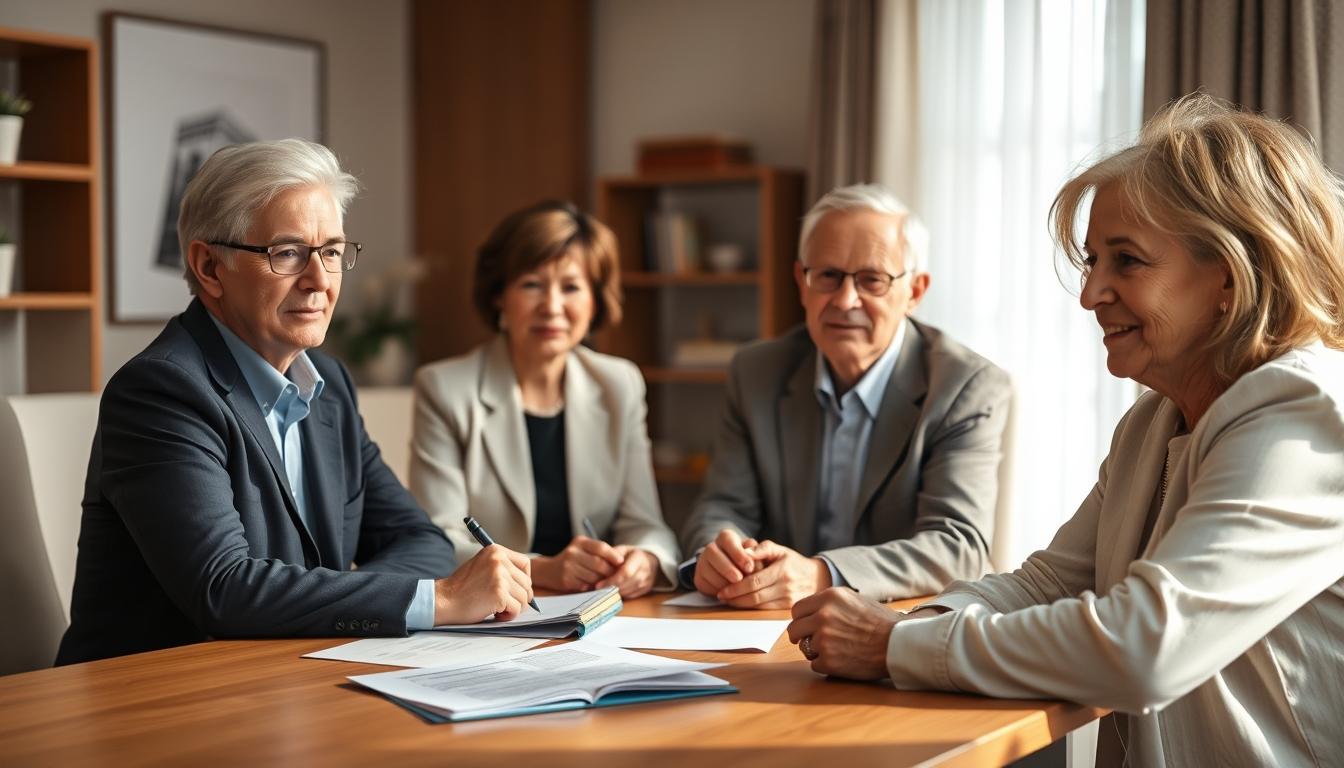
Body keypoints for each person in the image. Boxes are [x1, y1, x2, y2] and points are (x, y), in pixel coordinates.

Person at [787, 96, 1344, 766]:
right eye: (1091, 262)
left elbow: (1148, 647)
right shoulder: (1153, 419)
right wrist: (908, 625)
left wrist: (889, 646)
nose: (1090, 294)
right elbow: (1049, 582)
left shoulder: (1303, 409)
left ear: (1230, 273)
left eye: (1127, 261)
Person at [57, 139, 534, 665]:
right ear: (210, 268)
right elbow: (225, 589)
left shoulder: (328, 386)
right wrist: (437, 599)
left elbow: (420, 538)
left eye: (331, 252)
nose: (319, 280)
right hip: (147, 704)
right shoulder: (160, 391)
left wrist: (328, 600)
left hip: (289, 685)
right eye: (286, 253)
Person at [679, 184, 1011, 608]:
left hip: (896, 629)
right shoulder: (757, 371)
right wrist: (719, 553)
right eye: (829, 276)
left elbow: (957, 545)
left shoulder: (965, 385)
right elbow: (723, 505)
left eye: (872, 280)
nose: (845, 299)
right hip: (768, 624)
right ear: (802, 282)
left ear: (915, 291)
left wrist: (821, 574)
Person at [410, 200, 679, 599]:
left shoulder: (619, 383)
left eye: (571, 287)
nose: (552, 307)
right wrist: (545, 570)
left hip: (599, 610)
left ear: (595, 300)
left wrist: (645, 560)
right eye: (532, 285)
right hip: (496, 611)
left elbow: (645, 523)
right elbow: (437, 540)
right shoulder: (445, 388)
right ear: (500, 295)